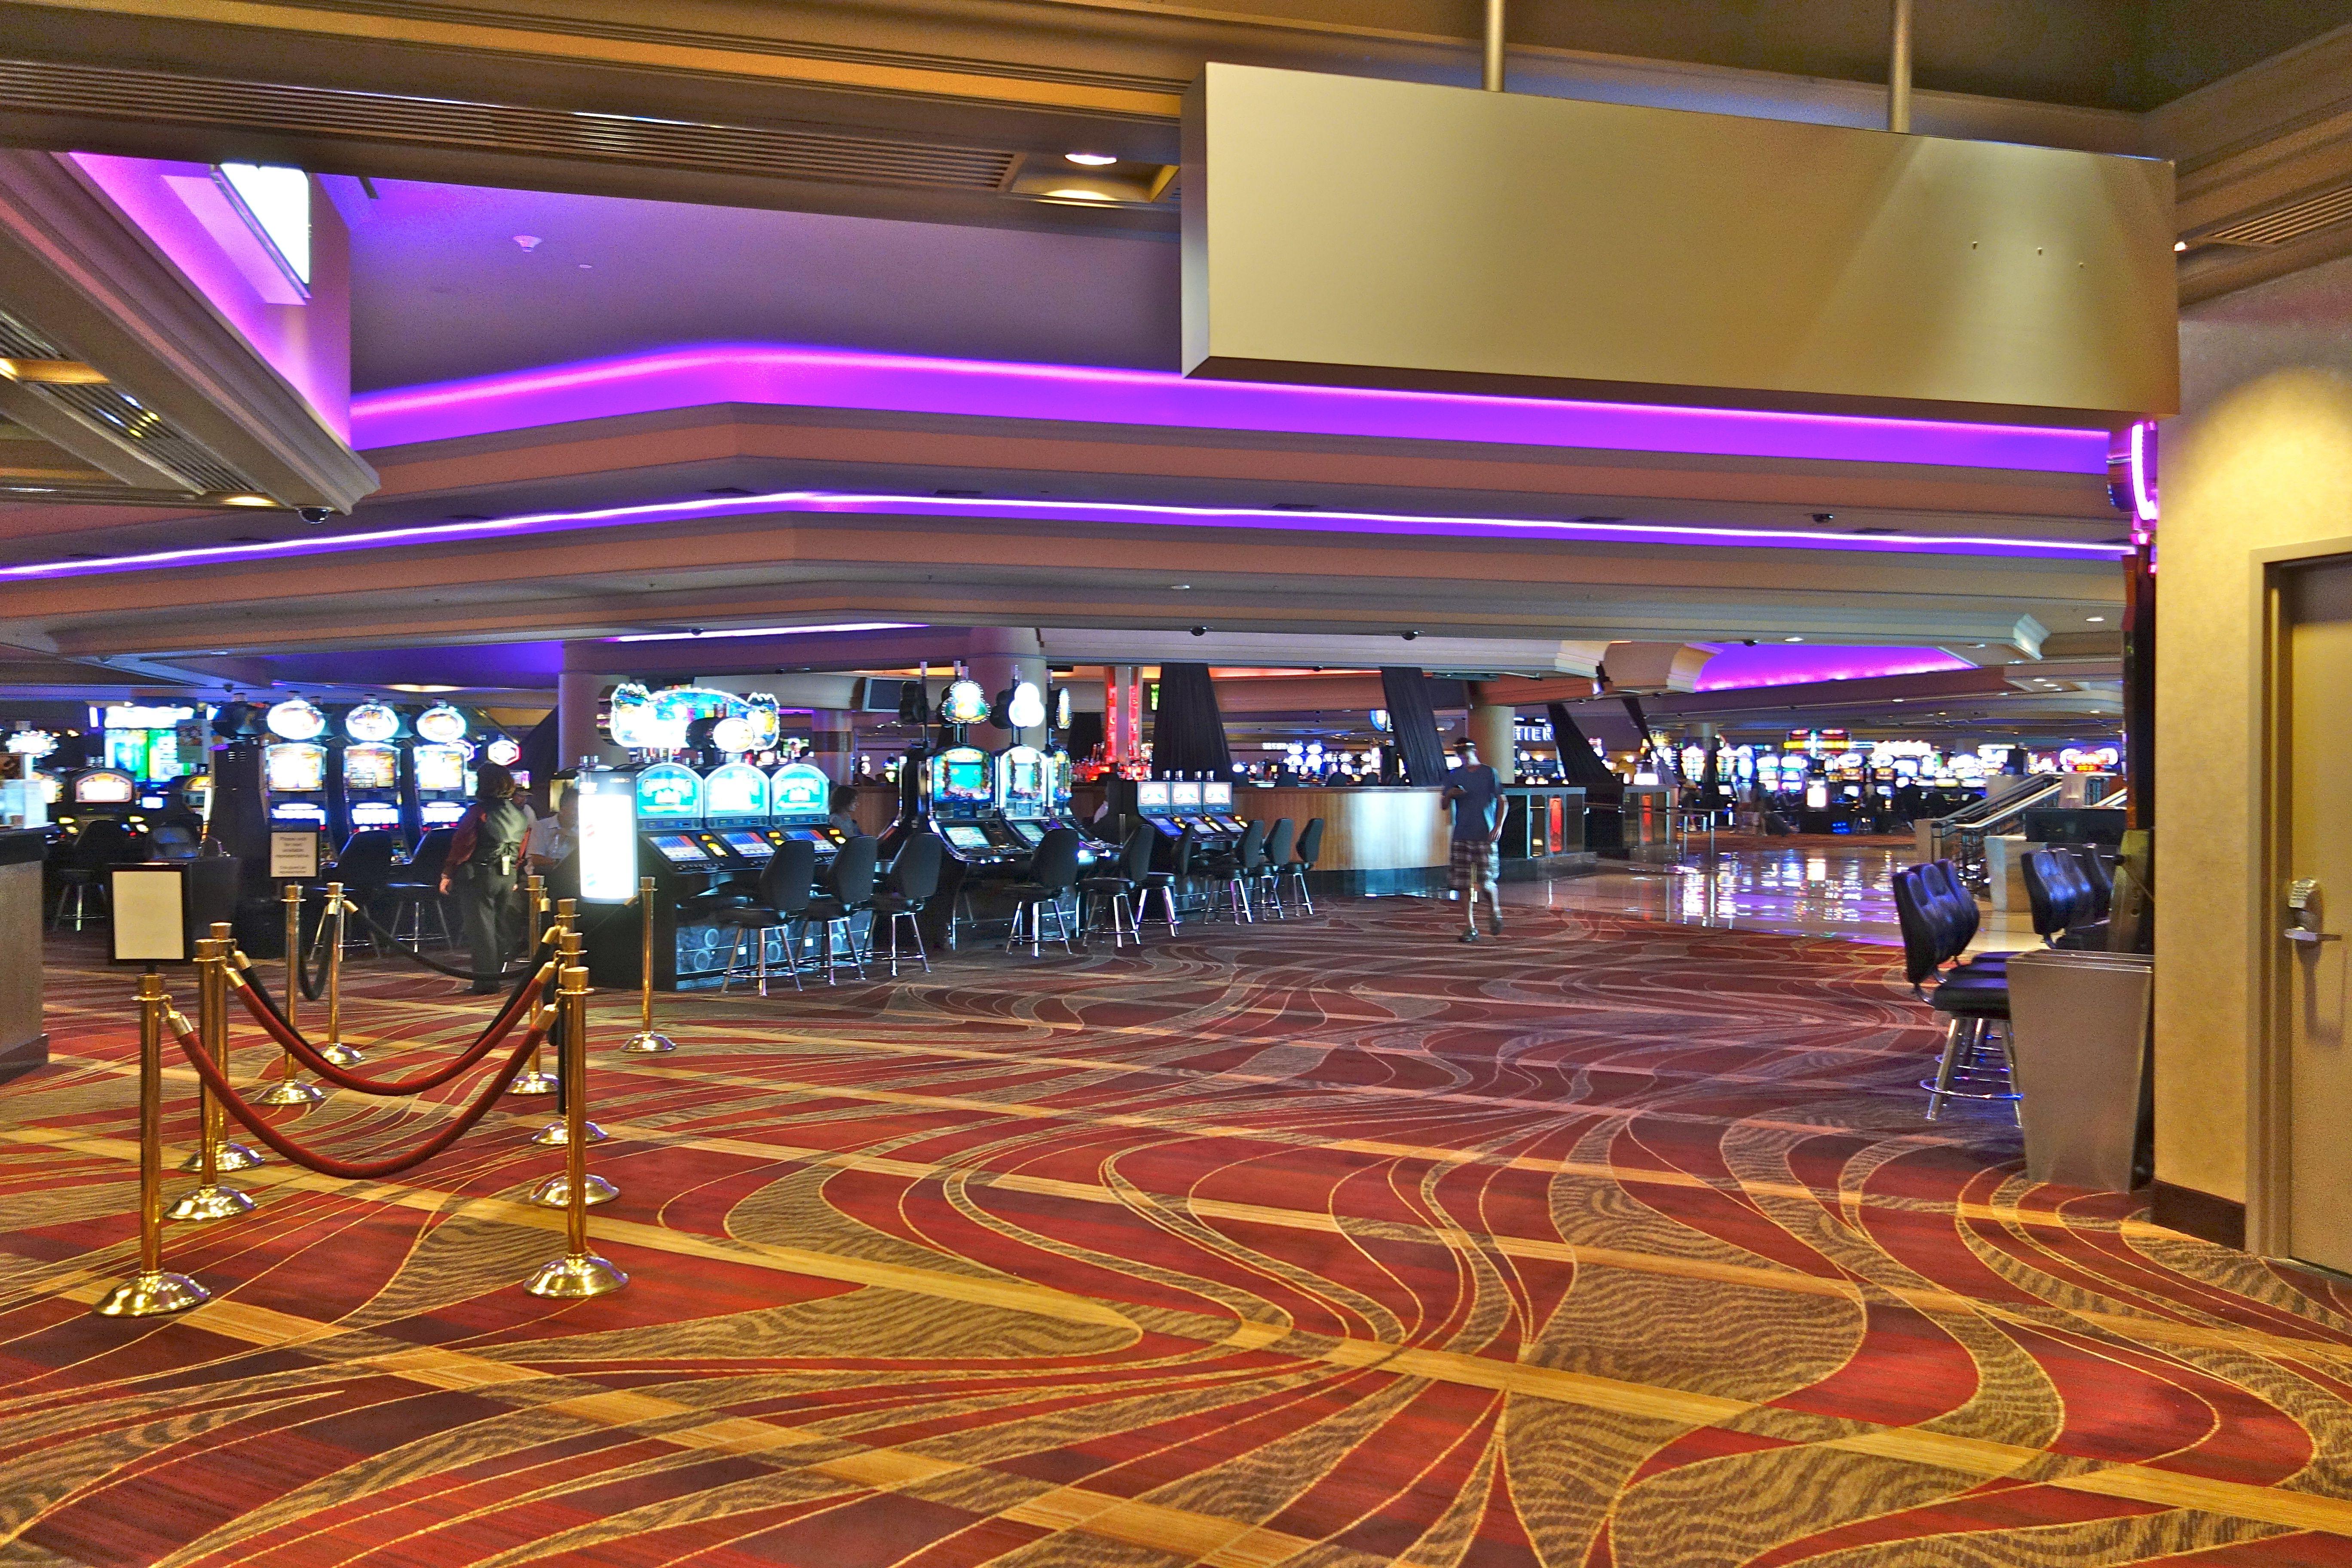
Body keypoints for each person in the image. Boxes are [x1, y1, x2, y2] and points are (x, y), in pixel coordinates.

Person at [440, 762, 531, 993]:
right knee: (499, 927)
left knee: (481, 930)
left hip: (479, 874)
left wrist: (448, 873)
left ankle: (486, 983)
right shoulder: (519, 814)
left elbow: (463, 845)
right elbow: (522, 849)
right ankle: (496, 976)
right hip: (507, 875)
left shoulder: (478, 812)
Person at [1442, 738, 1507, 943]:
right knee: (1463, 884)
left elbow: (1502, 801)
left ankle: (1495, 911)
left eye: (1467, 754)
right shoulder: (1455, 775)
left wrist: (1498, 826)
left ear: (1475, 752)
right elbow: (1444, 804)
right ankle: (1470, 927)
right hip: (1462, 835)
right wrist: (1450, 794)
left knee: (1486, 881)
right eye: (1461, 755)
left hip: (1484, 835)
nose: (1464, 758)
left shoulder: (1489, 773)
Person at [525, 785, 577, 876]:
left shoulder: (585, 828)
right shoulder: (542, 826)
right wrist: (559, 863)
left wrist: (575, 838)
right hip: (545, 876)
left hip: (574, 877)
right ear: (562, 809)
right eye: (575, 810)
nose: (578, 814)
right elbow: (535, 859)